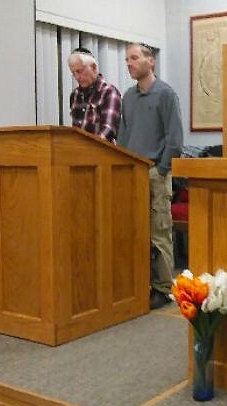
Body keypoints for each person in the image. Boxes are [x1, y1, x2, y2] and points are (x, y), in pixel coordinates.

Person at [118, 43, 184, 309]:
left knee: (159, 232)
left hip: (156, 170)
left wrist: (161, 169)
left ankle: (163, 287)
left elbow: (175, 139)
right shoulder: (127, 98)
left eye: (134, 58)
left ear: (151, 61)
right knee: (134, 231)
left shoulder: (166, 94)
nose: (129, 63)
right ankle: (139, 282)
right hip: (131, 174)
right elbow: (123, 136)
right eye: (126, 60)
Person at [68, 47, 122, 143]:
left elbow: (108, 130)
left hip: (102, 154)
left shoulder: (109, 92)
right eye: (73, 73)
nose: (77, 77)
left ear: (93, 67)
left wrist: (86, 149)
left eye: (79, 71)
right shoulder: (75, 95)